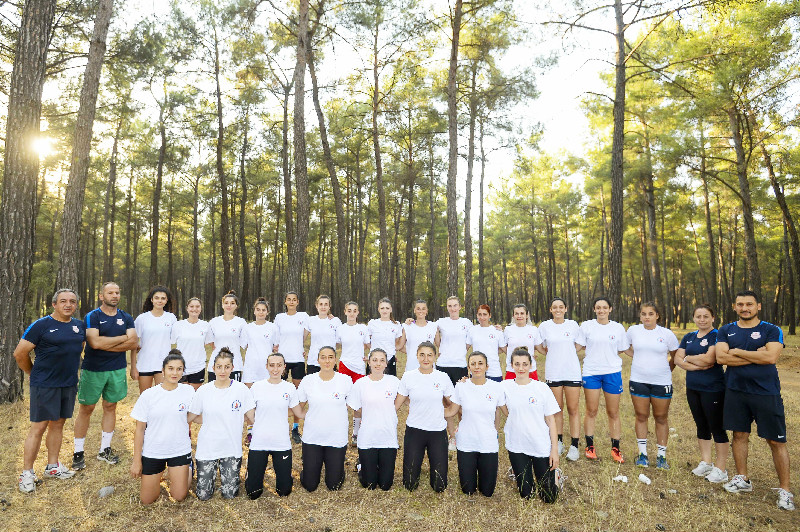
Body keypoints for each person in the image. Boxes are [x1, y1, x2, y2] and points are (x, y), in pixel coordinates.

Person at [716, 290, 795, 511]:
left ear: (758, 306)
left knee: (776, 441)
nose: (745, 308)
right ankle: (743, 479)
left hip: (766, 393)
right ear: (734, 306)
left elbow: (770, 357)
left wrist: (738, 352)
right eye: (740, 304)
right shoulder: (726, 330)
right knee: (739, 435)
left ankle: (785, 490)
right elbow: (721, 358)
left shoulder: (771, 330)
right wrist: (755, 355)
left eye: (749, 304)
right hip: (735, 391)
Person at [15, 289, 86, 492]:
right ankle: (27, 473)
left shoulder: (78, 326)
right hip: (44, 384)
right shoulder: (41, 325)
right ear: (54, 304)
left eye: (72, 301)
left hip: (69, 383)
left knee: (58, 424)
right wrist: (33, 373)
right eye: (63, 301)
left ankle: (53, 466)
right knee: (39, 427)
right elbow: (20, 353)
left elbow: (77, 348)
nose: (68, 305)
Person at [73, 281, 138, 470]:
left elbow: (133, 342)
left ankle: (105, 449)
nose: (115, 295)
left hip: (117, 369)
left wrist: (106, 342)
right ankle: (78, 452)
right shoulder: (92, 316)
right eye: (110, 292)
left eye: (117, 292)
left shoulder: (126, 317)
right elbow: (94, 343)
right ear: (102, 296)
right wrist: (121, 339)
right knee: (87, 409)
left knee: (110, 406)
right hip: (93, 369)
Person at [188, 348, 255, 500]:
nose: (223, 370)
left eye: (226, 367)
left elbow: (252, 417)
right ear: (213, 368)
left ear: (232, 368)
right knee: (203, 495)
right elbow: (192, 416)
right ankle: (192, 468)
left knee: (230, 495)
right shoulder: (204, 390)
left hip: (231, 449)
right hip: (207, 449)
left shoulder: (241, 390)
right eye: (219, 366)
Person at [129, 350, 195, 504]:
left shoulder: (189, 391)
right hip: (154, 451)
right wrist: (137, 461)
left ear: (183, 371)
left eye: (179, 369)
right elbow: (139, 430)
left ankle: (189, 467)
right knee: (147, 500)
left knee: (178, 496)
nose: (175, 372)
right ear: (163, 370)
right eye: (171, 368)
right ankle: (160, 474)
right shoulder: (149, 395)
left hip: (179, 449)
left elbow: (196, 416)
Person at [673, 304, 728, 483]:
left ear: (713, 318)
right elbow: (677, 359)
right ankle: (706, 462)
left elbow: (710, 359)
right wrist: (695, 362)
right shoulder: (689, 337)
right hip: (693, 388)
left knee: (717, 427)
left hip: (713, 388)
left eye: (706, 316)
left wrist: (689, 358)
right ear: (694, 318)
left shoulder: (717, 335)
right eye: (699, 316)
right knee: (701, 425)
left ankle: (721, 469)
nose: (702, 320)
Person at [501, 349, 561, 502]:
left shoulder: (541, 388)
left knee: (549, 497)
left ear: (531, 366)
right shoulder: (504, 386)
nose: (521, 368)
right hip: (517, 445)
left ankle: (555, 477)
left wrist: (554, 450)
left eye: (524, 364)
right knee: (526, 494)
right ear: (511, 366)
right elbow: (481, 387)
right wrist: (464, 381)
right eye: (517, 364)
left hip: (539, 444)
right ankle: (518, 471)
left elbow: (551, 420)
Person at [624, 302, 679, 469]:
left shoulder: (667, 334)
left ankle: (661, 457)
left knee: (661, 417)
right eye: (643, 314)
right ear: (640, 316)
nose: (646, 317)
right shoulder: (633, 331)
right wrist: (640, 358)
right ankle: (643, 455)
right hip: (638, 380)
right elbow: (626, 348)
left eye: (650, 314)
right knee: (641, 416)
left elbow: (675, 356)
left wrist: (665, 370)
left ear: (657, 316)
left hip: (661, 382)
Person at [395, 342, 455, 493]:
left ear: (435, 357)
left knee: (439, 486)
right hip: (415, 431)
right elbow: (397, 404)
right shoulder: (409, 376)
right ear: (417, 356)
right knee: (409, 484)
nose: (426, 358)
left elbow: (453, 404)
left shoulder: (443, 377)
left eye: (429, 355)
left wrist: (444, 414)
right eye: (422, 355)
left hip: (437, 431)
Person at [245, 353, 306, 498]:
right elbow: (249, 413)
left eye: (279, 365)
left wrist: (318, 412)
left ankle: (286, 473)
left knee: (284, 492)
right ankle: (251, 471)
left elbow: (298, 412)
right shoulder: (257, 387)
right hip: (259, 442)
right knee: (253, 493)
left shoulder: (290, 388)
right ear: (266, 366)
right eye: (272, 365)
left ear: (284, 367)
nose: (275, 369)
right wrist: (260, 423)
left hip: (281, 443)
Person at [446, 351, 505, 497]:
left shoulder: (496, 387)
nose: (477, 367)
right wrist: (452, 433)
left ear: (487, 366)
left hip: (488, 443)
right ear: (468, 367)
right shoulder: (461, 386)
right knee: (468, 490)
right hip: (466, 443)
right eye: (473, 364)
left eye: (480, 363)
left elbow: (500, 411)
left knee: (487, 492)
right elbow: (451, 412)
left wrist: (495, 431)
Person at [577, 296, 629, 462]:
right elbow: (578, 346)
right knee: (591, 410)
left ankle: (615, 449)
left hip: (612, 372)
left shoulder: (618, 328)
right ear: (594, 309)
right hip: (591, 372)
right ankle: (590, 446)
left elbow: (621, 349)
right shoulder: (586, 326)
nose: (601, 310)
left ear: (610, 309)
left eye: (604, 307)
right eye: (598, 307)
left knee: (613, 412)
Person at [297, 346, 353, 491]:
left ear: (335, 360)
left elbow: (352, 405)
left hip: (336, 438)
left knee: (334, 485)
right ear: (318, 360)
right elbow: (298, 406)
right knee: (310, 485)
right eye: (323, 357)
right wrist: (306, 416)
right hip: (313, 437)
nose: (327, 361)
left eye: (330, 357)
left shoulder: (345, 380)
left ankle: (338, 467)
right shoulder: (308, 380)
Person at [537, 297, 585, 462]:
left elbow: (579, 345)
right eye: (554, 307)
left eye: (561, 307)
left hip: (571, 372)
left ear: (565, 309)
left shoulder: (573, 325)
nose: (558, 310)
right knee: (556, 409)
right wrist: (549, 354)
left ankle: (574, 445)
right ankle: (558, 441)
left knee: (573, 409)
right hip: (553, 373)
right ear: (551, 310)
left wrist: (568, 354)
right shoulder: (544, 326)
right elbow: (539, 346)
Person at [347, 349, 400, 490]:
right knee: (369, 484)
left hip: (388, 438)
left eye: (382, 360)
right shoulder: (360, 383)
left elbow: (408, 397)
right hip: (367, 439)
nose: (378, 363)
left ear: (386, 363)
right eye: (375, 360)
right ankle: (361, 465)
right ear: (369, 362)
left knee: (385, 485)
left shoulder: (394, 382)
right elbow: (355, 407)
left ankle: (376, 464)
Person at [274, 291, 309, 443]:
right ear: (285, 302)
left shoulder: (304, 316)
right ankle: (278, 426)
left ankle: (295, 428)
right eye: (289, 300)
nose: (292, 302)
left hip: (298, 360)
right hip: (282, 360)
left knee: (298, 395)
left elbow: (307, 332)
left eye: (294, 300)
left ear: (298, 302)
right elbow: (275, 335)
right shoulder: (279, 317)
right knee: (278, 393)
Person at [336, 301, 370, 445]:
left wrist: (370, 356)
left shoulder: (363, 328)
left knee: (358, 402)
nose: (351, 313)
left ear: (357, 313)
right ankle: (340, 431)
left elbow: (370, 345)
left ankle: (356, 434)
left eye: (354, 310)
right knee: (342, 401)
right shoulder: (340, 328)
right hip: (344, 365)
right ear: (345, 312)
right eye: (349, 310)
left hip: (359, 368)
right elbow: (335, 344)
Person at [132, 286, 177, 392]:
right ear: (151, 299)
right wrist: (133, 367)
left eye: (163, 298)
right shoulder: (141, 319)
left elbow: (176, 340)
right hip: (144, 364)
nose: (159, 301)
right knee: (145, 397)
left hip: (163, 363)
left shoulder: (171, 318)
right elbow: (134, 344)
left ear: (167, 300)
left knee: (162, 397)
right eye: (157, 298)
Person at [205, 290, 246, 382]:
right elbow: (211, 343)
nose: (229, 305)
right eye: (226, 303)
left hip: (234, 365)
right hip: (216, 365)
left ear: (236, 306)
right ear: (222, 305)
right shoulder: (214, 322)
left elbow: (243, 343)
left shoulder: (241, 322)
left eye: (232, 303)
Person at [170, 297, 210, 390]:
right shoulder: (178, 325)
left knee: (194, 396)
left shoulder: (205, 325)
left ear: (201, 308)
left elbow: (210, 343)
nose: (194, 309)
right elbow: (171, 343)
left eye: (197, 306)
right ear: (187, 308)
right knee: (182, 395)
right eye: (191, 306)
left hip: (198, 366)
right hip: (181, 366)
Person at [241, 297, 279, 386]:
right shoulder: (247, 328)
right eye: (258, 310)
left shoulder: (273, 328)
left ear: (267, 312)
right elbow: (243, 346)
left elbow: (276, 348)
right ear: (254, 311)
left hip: (267, 367)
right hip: (250, 367)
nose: (261, 312)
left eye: (263, 310)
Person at [305, 295, 342, 375]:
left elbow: (339, 342)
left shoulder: (336, 321)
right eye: (321, 304)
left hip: (330, 362)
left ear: (329, 306)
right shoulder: (310, 320)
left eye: (326, 304)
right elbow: (302, 338)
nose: (323, 307)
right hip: (313, 361)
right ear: (316, 306)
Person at [469, 305, 507, 383]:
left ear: (489, 315)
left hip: (494, 371)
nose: (482, 317)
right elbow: (464, 348)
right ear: (477, 315)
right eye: (480, 314)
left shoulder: (497, 331)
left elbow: (505, 349)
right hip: (477, 370)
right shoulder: (472, 330)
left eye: (485, 314)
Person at [503, 304, 541, 380]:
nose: (519, 316)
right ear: (513, 316)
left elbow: (539, 347)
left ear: (527, 315)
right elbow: (503, 347)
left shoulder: (533, 330)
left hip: (530, 370)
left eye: (522, 313)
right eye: (516, 314)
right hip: (512, 369)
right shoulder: (508, 329)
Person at [368, 298, 404, 376]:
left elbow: (396, 343)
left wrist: (391, 352)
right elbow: (368, 341)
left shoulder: (396, 325)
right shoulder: (372, 323)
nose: (385, 310)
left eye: (387, 308)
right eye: (382, 308)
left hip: (390, 360)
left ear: (391, 310)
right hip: (374, 360)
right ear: (378, 309)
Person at [400, 299, 439, 373]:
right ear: (414, 310)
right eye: (418, 309)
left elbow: (440, 346)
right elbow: (399, 346)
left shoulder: (433, 326)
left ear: (427, 311)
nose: (421, 311)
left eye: (423, 309)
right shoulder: (407, 326)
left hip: (429, 367)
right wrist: (410, 351)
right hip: (412, 366)